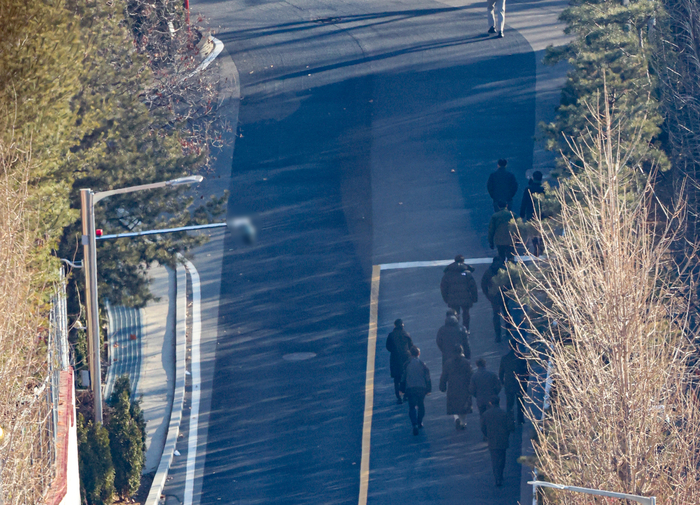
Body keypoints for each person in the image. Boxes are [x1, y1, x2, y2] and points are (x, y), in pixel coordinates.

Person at [481, 396, 513, 486]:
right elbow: (509, 426)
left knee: (494, 459)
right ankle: (501, 474)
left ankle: (497, 477)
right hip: (503, 439)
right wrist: (506, 434)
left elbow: (483, 427)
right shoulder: (503, 413)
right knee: (502, 458)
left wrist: (487, 435)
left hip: (492, 439)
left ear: (490, 403)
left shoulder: (486, 414)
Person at [439, 345, 473, 430]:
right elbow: (471, 375)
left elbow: (444, 376)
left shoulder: (448, 363)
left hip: (452, 387)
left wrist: (442, 386)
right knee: (464, 406)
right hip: (464, 387)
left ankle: (456, 418)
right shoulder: (466, 362)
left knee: (454, 405)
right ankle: (463, 422)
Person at [440, 255, 478, 329]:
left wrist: (446, 299)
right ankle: (466, 329)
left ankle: (455, 328)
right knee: (466, 313)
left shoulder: (448, 274)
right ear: (463, 261)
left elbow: (443, 288)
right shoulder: (467, 273)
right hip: (466, 297)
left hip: (452, 298)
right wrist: (474, 298)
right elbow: (473, 287)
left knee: (455, 314)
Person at [401, 346, 432, 435]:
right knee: (421, 405)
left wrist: (402, 389)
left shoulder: (406, 364)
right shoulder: (423, 364)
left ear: (410, 354)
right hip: (421, 388)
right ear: (419, 354)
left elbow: (403, 377)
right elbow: (427, 378)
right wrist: (428, 389)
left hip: (410, 388)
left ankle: (414, 424)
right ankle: (420, 422)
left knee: (412, 407)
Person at [499, 341, 529, 425]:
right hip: (520, 384)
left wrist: (502, 382)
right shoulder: (522, 358)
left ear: (509, 347)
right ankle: (520, 419)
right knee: (520, 403)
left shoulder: (504, 358)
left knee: (510, 404)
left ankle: (510, 420)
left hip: (509, 384)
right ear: (517, 346)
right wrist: (525, 382)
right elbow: (527, 372)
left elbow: (501, 373)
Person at [386, 319, 413, 404]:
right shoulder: (406, 334)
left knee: (397, 378)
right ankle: (406, 395)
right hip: (406, 358)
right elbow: (411, 346)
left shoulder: (391, 335)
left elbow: (388, 347)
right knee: (406, 377)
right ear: (402, 325)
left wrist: (394, 351)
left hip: (395, 359)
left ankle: (398, 397)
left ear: (395, 325)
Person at [519, 171, 545, 256]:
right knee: (542, 230)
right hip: (542, 213)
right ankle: (542, 247)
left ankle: (536, 247)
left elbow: (524, 202)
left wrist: (522, 213)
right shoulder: (543, 189)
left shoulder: (528, 189)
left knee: (532, 231)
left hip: (531, 213)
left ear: (533, 178)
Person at [481, 256, 506, 342]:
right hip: (505, 295)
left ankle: (498, 335)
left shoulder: (488, 272)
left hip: (494, 296)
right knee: (507, 313)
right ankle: (509, 330)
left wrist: (488, 295)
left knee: (496, 315)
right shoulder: (505, 270)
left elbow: (483, 285)